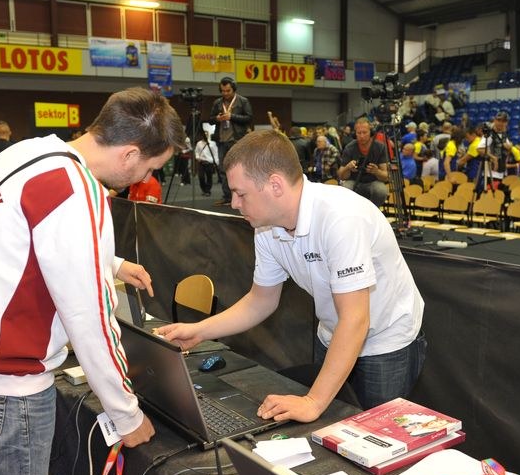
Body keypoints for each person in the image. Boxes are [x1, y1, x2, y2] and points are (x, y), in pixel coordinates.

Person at [0, 88, 185, 475]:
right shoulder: (77, 190)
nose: (144, 179)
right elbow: (91, 319)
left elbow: (17, 239)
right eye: (148, 168)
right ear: (129, 154)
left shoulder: (24, 154)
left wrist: (114, 262)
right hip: (10, 389)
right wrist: (126, 415)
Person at [156, 130, 425, 419]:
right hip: (335, 334)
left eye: (240, 193)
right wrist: (198, 332)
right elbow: (261, 300)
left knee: (376, 437)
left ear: (275, 185)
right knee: (333, 426)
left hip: (386, 340)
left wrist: (312, 402)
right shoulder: (266, 227)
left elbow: (356, 319)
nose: (234, 203)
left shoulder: (342, 218)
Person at [210, 77, 253, 206]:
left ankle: (242, 195)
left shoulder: (243, 101)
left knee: (239, 169)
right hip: (222, 139)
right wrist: (217, 118)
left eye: (228, 90)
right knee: (223, 169)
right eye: (223, 91)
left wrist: (232, 116)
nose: (225, 93)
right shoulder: (217, 103)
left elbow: (249, 118)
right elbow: (210, 119)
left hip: (237, 140)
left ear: (233, 89)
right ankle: (227, 196)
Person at [337, 117, 389, 207]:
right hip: (354, 181)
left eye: (365, 132)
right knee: (345, 188)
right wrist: (348, 168)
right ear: (354, 134)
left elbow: (386, 176)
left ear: (371, 133)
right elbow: (341, 175)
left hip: (373, 182)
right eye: (359, 133)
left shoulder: (380, 147)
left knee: (381, 190)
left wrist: (376, 171)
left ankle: (372, 210)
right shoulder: (349, 148)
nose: (362, 136)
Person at [195, 131, 218, 197]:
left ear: (208, 135)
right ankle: (204, 189)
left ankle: (207, 190)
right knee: (201, 177)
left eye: (206, 134)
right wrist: (197, 157)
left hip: (209, 162)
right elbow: (196, 151)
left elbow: (215, 153)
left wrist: (216, 163)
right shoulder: (199, 143)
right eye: (204, 134)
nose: (205, 136)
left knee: (209, 177)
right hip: (201, 162)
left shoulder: (212, 143)